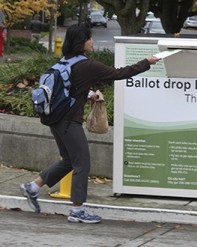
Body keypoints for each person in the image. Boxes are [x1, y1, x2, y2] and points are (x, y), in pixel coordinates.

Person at [20, 23, 160, 224]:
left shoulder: (66, 61)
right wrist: (146, 62)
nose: (92, 42)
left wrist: (88, 94)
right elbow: (118, 73)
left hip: (56, 120)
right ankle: (77, 210)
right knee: (82, 163)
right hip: (69, 122)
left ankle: (32, 187)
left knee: (69, 161)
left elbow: (69, 89)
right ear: (81, 42)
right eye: (89, 38)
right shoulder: (87, 65)